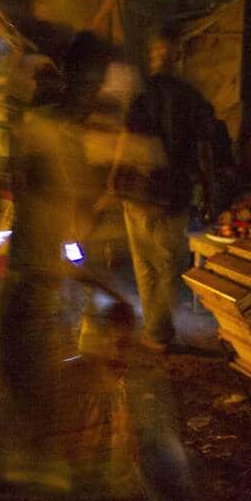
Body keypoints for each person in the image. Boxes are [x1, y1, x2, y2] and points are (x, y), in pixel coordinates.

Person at [102, 26, 218, 352]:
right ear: (178, 56)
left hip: (138, 191)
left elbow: (125, 138)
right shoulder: (193, 98)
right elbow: (204, 149)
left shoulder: (141, 95)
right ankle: (160, 332)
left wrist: (114, 179)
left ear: (155, 56)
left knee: (145, 263)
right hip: (173, 194)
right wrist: (209, 189)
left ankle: (156, 329)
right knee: (169, 265)